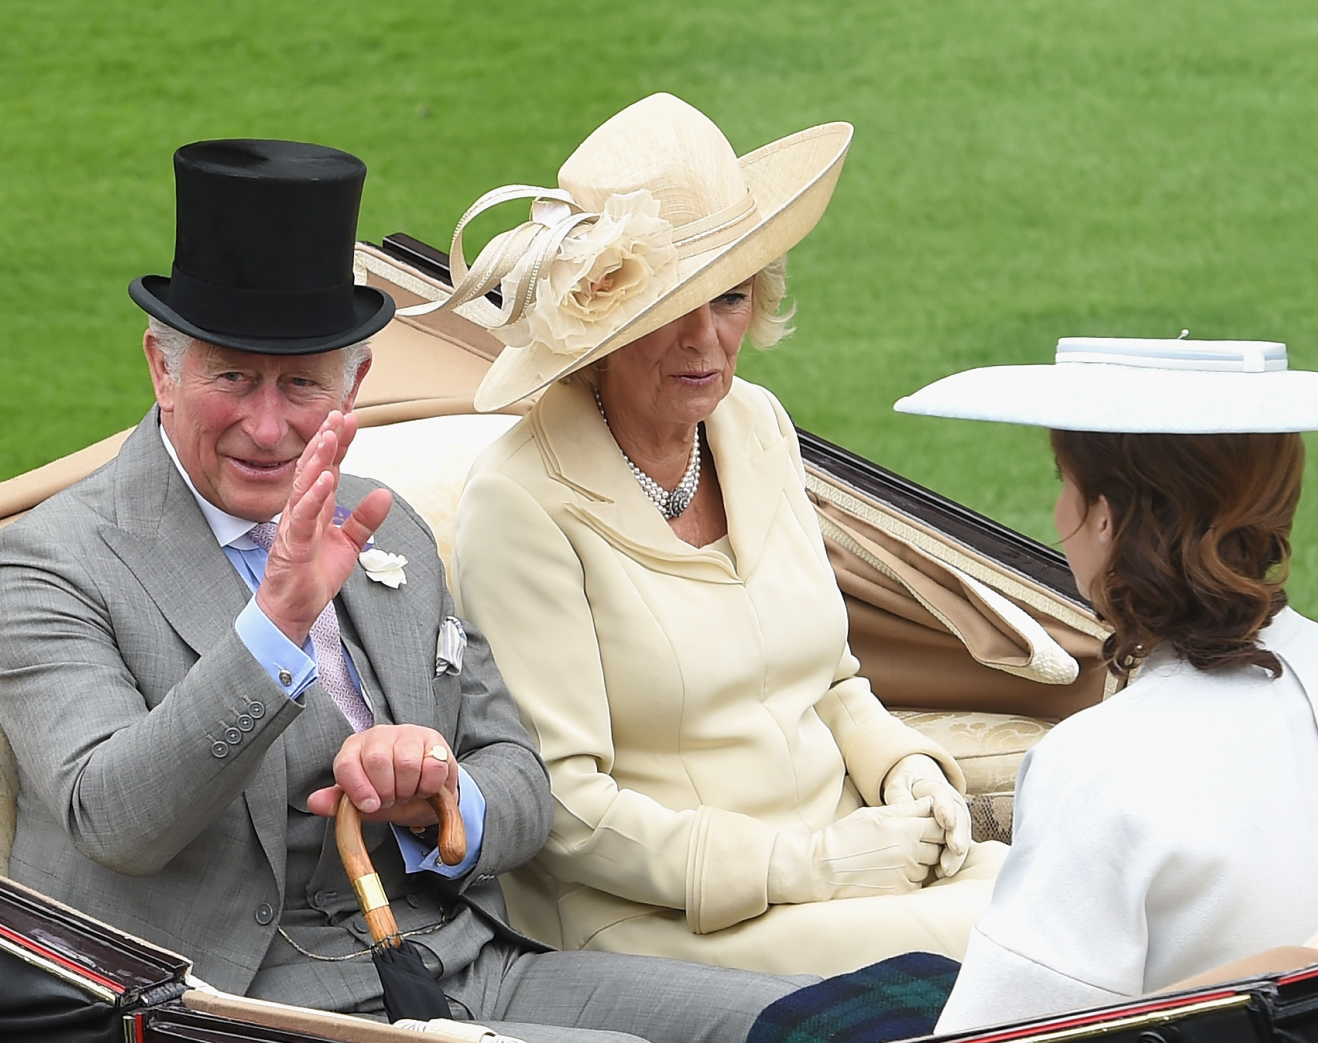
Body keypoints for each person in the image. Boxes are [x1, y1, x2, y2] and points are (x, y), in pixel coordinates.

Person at [0, 139, 808, 1043]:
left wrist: (440, 797)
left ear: (355, 383)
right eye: (232, 377)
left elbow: (523, 786)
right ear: (163, 368)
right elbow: (113, 821)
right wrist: (276, 628)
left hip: (469, 968)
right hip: (235, 1004)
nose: (269, 428)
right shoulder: (48, 563)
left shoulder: (388, 526)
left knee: (824, 1021)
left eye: (302, 384)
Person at [441, 94, 1003, 977]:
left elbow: (830, 681)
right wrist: (809, 868)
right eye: (668, 308)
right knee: (995, 953)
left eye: (730, 297)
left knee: (1068, 903)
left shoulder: (757, 424)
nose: (706, 341)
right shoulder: (518, 503)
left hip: (852, 857)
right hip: (663, 919)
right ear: (598, 324)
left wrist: (907, 772)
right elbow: (566, 811)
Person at [889, 336, 1318, 1029]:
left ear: (1105, 517)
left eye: (1065, 484)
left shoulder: (1100, 764)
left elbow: (1005, 1025)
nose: (1059, 515)